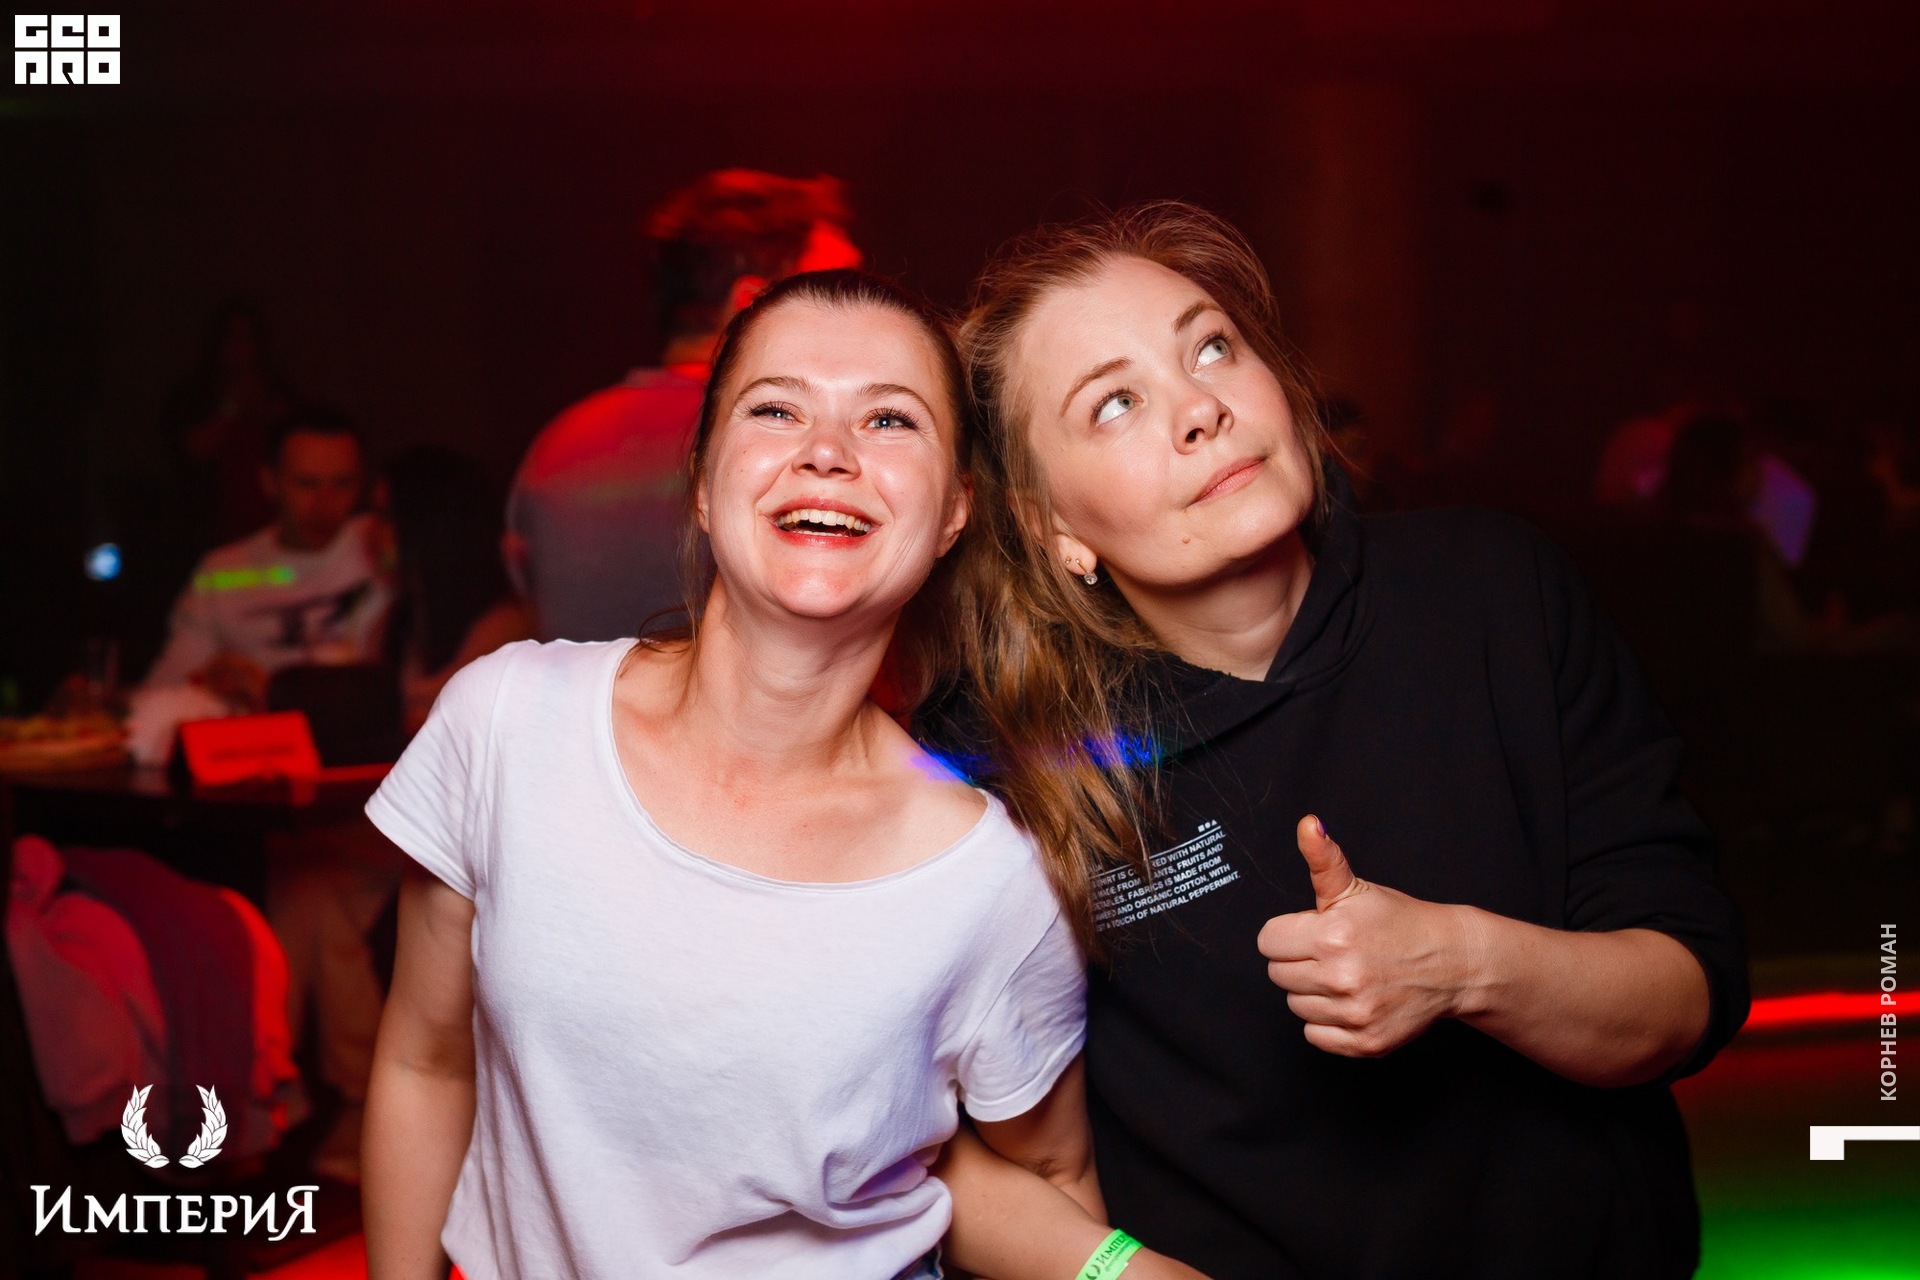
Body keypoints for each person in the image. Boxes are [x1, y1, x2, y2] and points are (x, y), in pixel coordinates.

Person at [925, 203, 1749, 1279]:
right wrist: (1119, 1270)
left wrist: (1461, 965)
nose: (1202, 409)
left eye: (1211, 347)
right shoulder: (995, 757)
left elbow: (1687, 995)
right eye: (1115, 403)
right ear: (1053, 528)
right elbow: (912, 1138)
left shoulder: (1490, 591)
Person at [361, 270, 1205, 1280]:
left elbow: (1050, 1174)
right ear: (704, 479)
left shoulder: (985, 875)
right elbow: (423, 1060)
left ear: (954, 512)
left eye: (889, 419)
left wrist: (1123, 1270)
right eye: (775, 409)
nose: (828, 451)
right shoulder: (506, 722)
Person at [505, 169, 863, 642]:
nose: (865, 317)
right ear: (753, 303)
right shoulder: (793, 447)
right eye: (835, 293)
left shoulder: (553, 450)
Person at [141, 406, 392, 709]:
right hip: (263, 731)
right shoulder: (222, 573)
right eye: (307, 484)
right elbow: (165, 689)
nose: (325, 503)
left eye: (342, 483)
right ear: (270, 482)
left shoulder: (380, 543)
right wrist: (212, 680)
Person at [380, 446, 535, 734]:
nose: (372, 529)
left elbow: (449, 705)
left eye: (387, 517)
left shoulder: (508, 621)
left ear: (427, 525)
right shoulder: (400, 617)